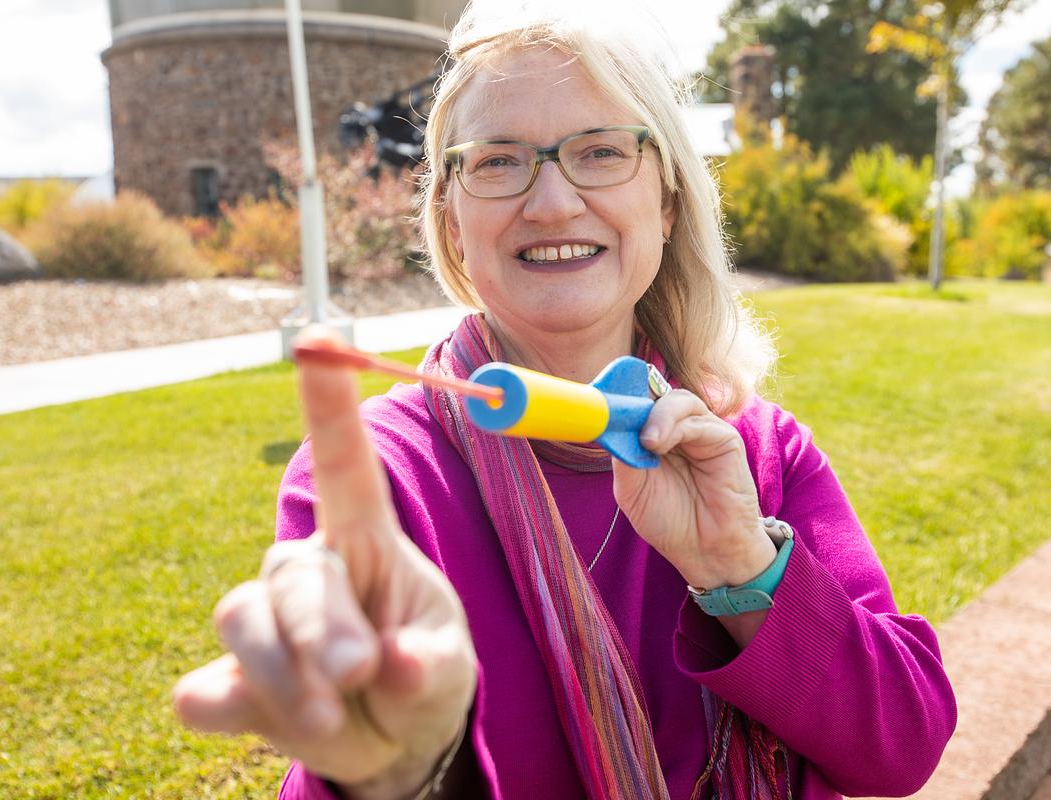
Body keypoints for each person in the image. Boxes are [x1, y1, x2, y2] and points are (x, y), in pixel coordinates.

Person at [172, 3, 958, 798]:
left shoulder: (756, 449)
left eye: (601, 151)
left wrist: (742, 569)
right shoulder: (376, 481)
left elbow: (900, 750)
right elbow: (349, 744)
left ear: (668, 202)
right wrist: (398, 766)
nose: (551, 203)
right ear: (451, 217)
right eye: (498, 161)